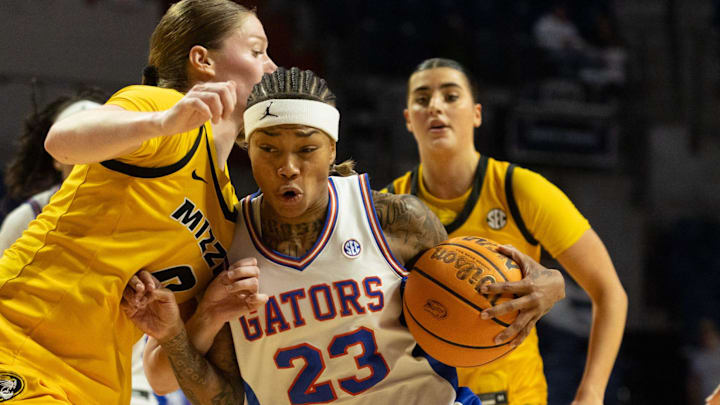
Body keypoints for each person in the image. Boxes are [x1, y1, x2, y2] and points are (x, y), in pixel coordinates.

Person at [122, 66, 566, 405]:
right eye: (269, 148)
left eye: (307, 149)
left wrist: (549, 284)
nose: (288, 166)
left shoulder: (396, 219)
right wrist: (179, 337)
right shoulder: (223, 245)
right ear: (247, 150)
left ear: (332, 149)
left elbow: (477, 293)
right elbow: (224, 398)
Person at [0, 0, 276, 403]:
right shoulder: (162, 111)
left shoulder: (227, 214)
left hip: (99, 387)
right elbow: (61, 140)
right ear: (202, 60)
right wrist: (163, 123)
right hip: (22, 344)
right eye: (256, 51)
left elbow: (160, 375)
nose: (271, 66)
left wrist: (208, 315)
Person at [382, 58, 627, 405]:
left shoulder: (519, 189)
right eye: (422, 99)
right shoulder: (389, 208)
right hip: (425, 394)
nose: (435, 105)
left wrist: (591, 393)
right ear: (408, 118)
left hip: (514, 394)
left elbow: (610, 293)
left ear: (477, 113)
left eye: (451, 96)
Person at [1, 89, 105, 253]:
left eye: (97, 141)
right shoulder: (25, 219)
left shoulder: (140, 211)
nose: (87, 155)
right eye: (75, 143)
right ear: (56, 159)